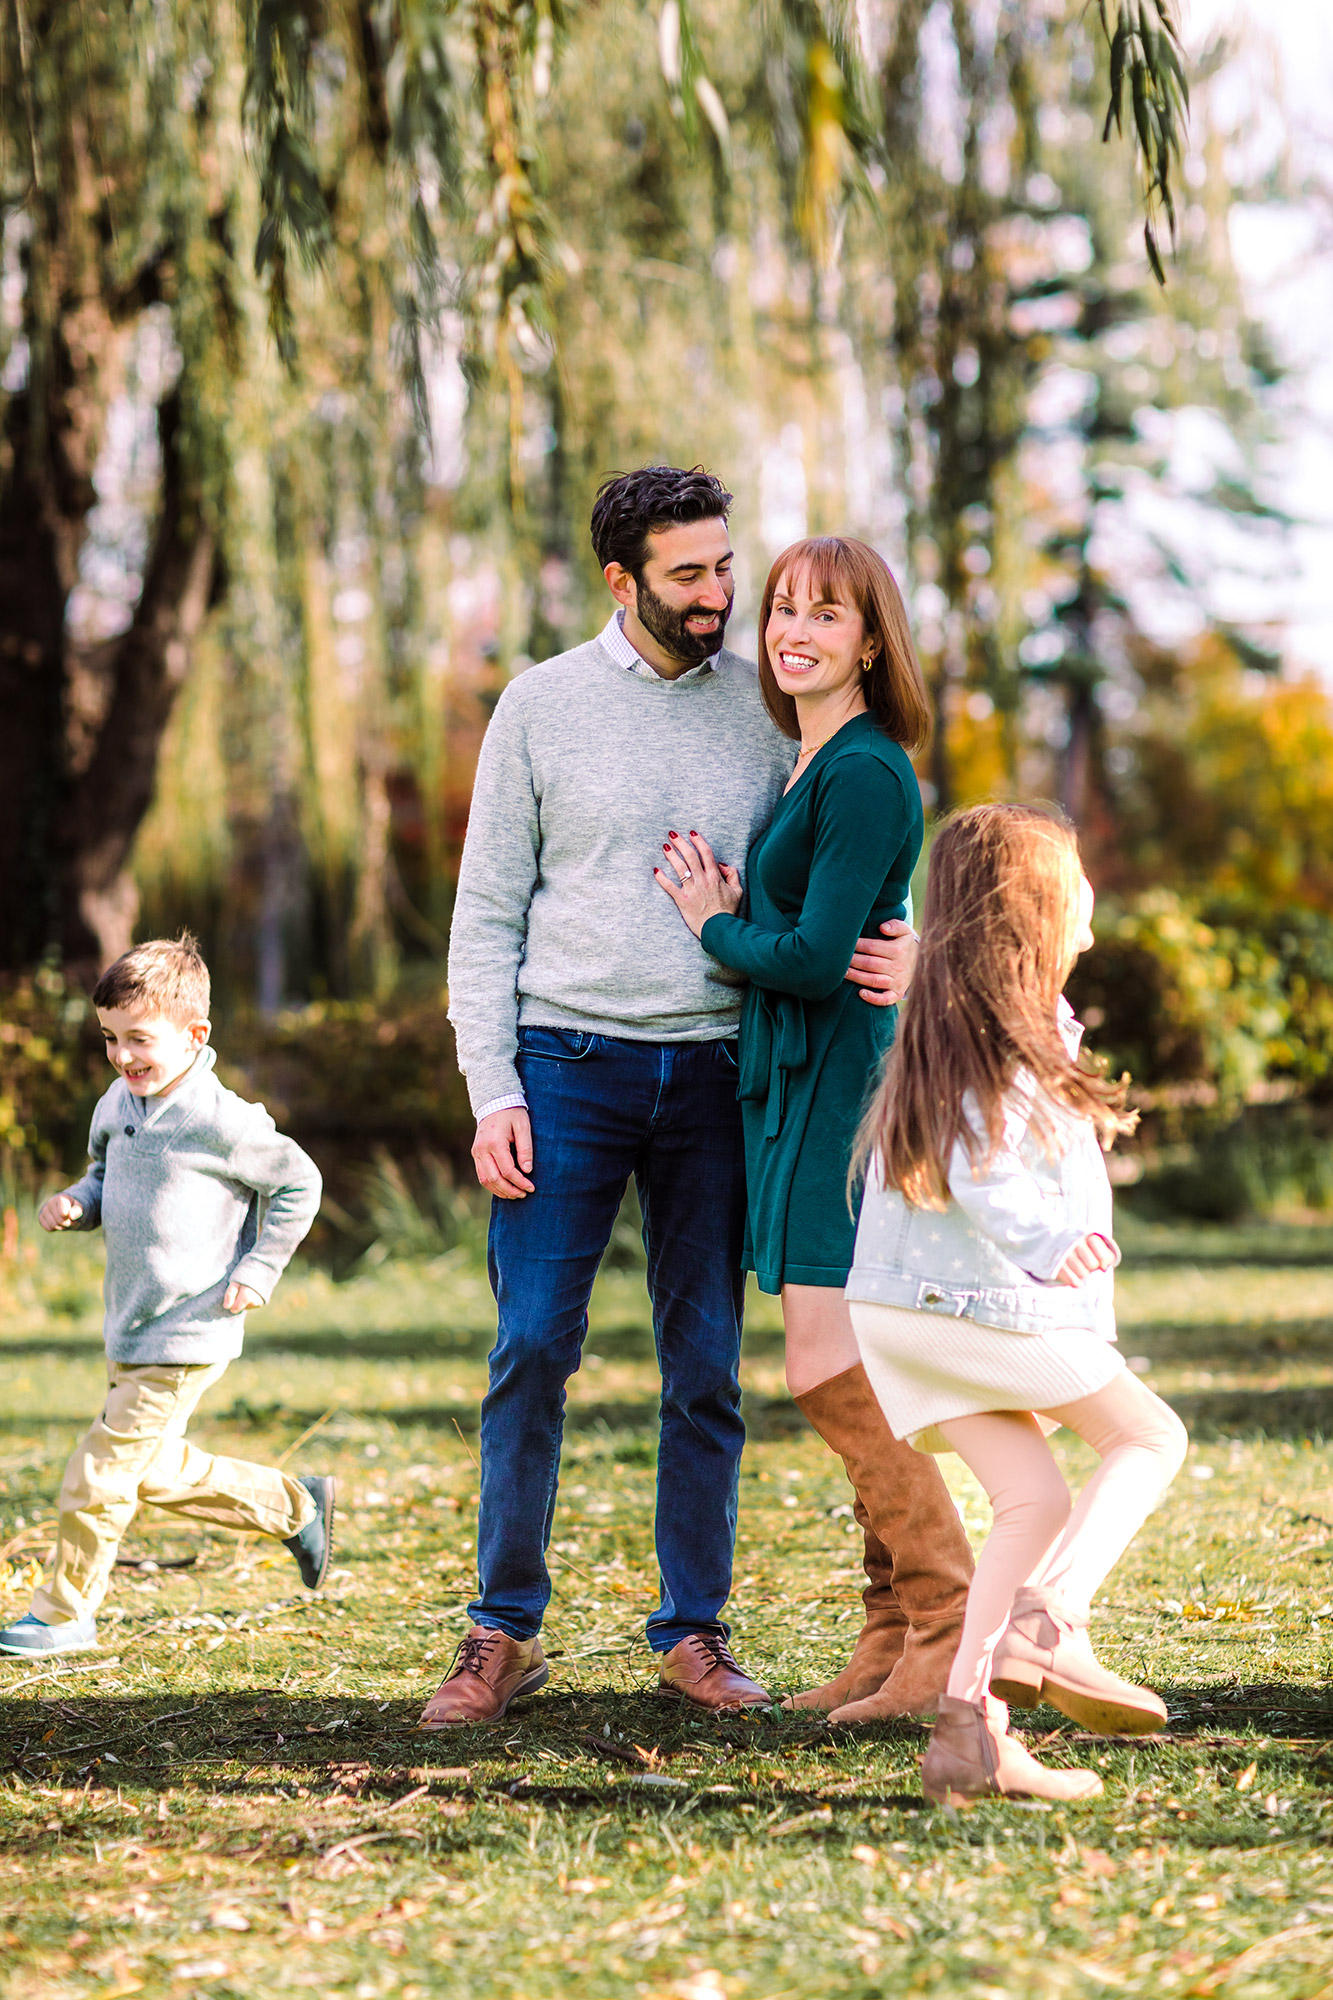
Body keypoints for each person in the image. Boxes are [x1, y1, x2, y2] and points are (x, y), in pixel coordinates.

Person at [428, 469, 917, 1727]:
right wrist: (493, 1089)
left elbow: (850, 865)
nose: (720, 597)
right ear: (620, 580)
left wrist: (918, 940)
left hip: (720, 1079)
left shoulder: (775, 706)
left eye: (722, 567)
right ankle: (502, 1632)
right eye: (688, 575)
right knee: (531, 1345)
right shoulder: (537, 707)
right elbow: (484, 916)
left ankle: (693, 1632)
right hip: (565, 1067)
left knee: (705, 1366)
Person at [655, 536, 974, 1722]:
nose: (792, 630)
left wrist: (710, 918)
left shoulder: (864, 773)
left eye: (824, 615)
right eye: (781, 609)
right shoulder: (814, 761)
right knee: (853, 1364)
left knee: (820, 1359)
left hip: (838, 1084)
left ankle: (946, 1618)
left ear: (871, 640)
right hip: (794, 1081)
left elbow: (806, 958)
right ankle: (886, 1636)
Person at [845, 804, 1188, 1803]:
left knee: (1032, 1497)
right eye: (1076, 889)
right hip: (964, 1302)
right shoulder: (992, 1028)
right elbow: (973, 1156)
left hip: (912, 1316)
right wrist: (1050, 1239)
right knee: (1147, 1435)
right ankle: (1053, 1619)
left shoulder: (965, 1014)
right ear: (1035, 908)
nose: (1091, 908)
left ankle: (969, 1734)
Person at [0, 935, 332, 1659]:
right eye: (110, 1039)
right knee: (151, 1469)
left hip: (189, 1327)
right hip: (132, 1323)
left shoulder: (222, 1119)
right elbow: (101, 1174)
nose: (123, 1056)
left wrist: (260, 1268)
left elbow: (298, 1183)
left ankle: (63, 1612)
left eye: (139, 1040)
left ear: (195, 1036)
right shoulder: (118, 1102)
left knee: (98, 1471)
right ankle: (294, 1505)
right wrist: (76, 1204)